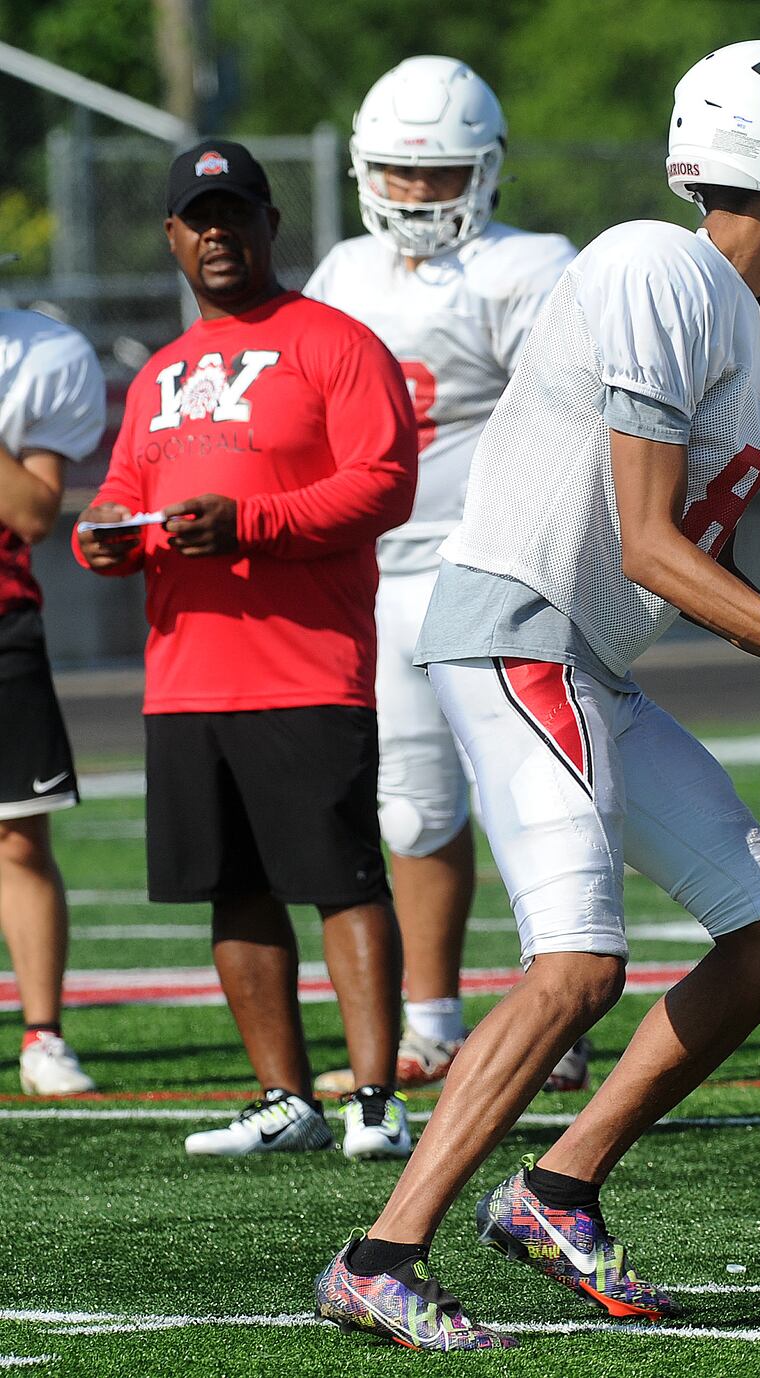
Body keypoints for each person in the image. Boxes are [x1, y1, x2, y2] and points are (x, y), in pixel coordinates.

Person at [312, 40, 760, 1351]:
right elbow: (649, 547)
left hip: (585, 655)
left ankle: (557, 1187)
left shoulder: (751, 316)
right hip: (523, 633)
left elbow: (691, 559)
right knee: (579, 965)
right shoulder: (660, 265)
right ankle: (381, 1251)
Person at [74, 140, 420, 1159]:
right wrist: (105, 533)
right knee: (230, 885)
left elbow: (382, 485)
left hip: (305, 662)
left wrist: (250, 524)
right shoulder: (162, 375)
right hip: (186, 674)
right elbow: (124, 492)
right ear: (174, 238)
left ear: (272, 225)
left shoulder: (336, 343)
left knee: (343, 877)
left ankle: (371, 1099)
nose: (218, 233)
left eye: (237, 214)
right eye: (199, 218)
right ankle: (283, 1099)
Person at [304, 56, 588, 1100]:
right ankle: (430, 1021)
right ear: (363, 170)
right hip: (380, 570)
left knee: (527, 794)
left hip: (498, 562)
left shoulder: (533, 266)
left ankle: (549, 1012)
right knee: (412, 807)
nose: (418, 193)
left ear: (489, 169)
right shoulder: (343, 273)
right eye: (400, 173)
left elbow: (565, 419)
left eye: (440, 173)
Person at [0, 307, 105, 1096]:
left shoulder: (43, 353)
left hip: (1, 616)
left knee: (17, 839)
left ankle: (42, 1034)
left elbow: (34, 511)